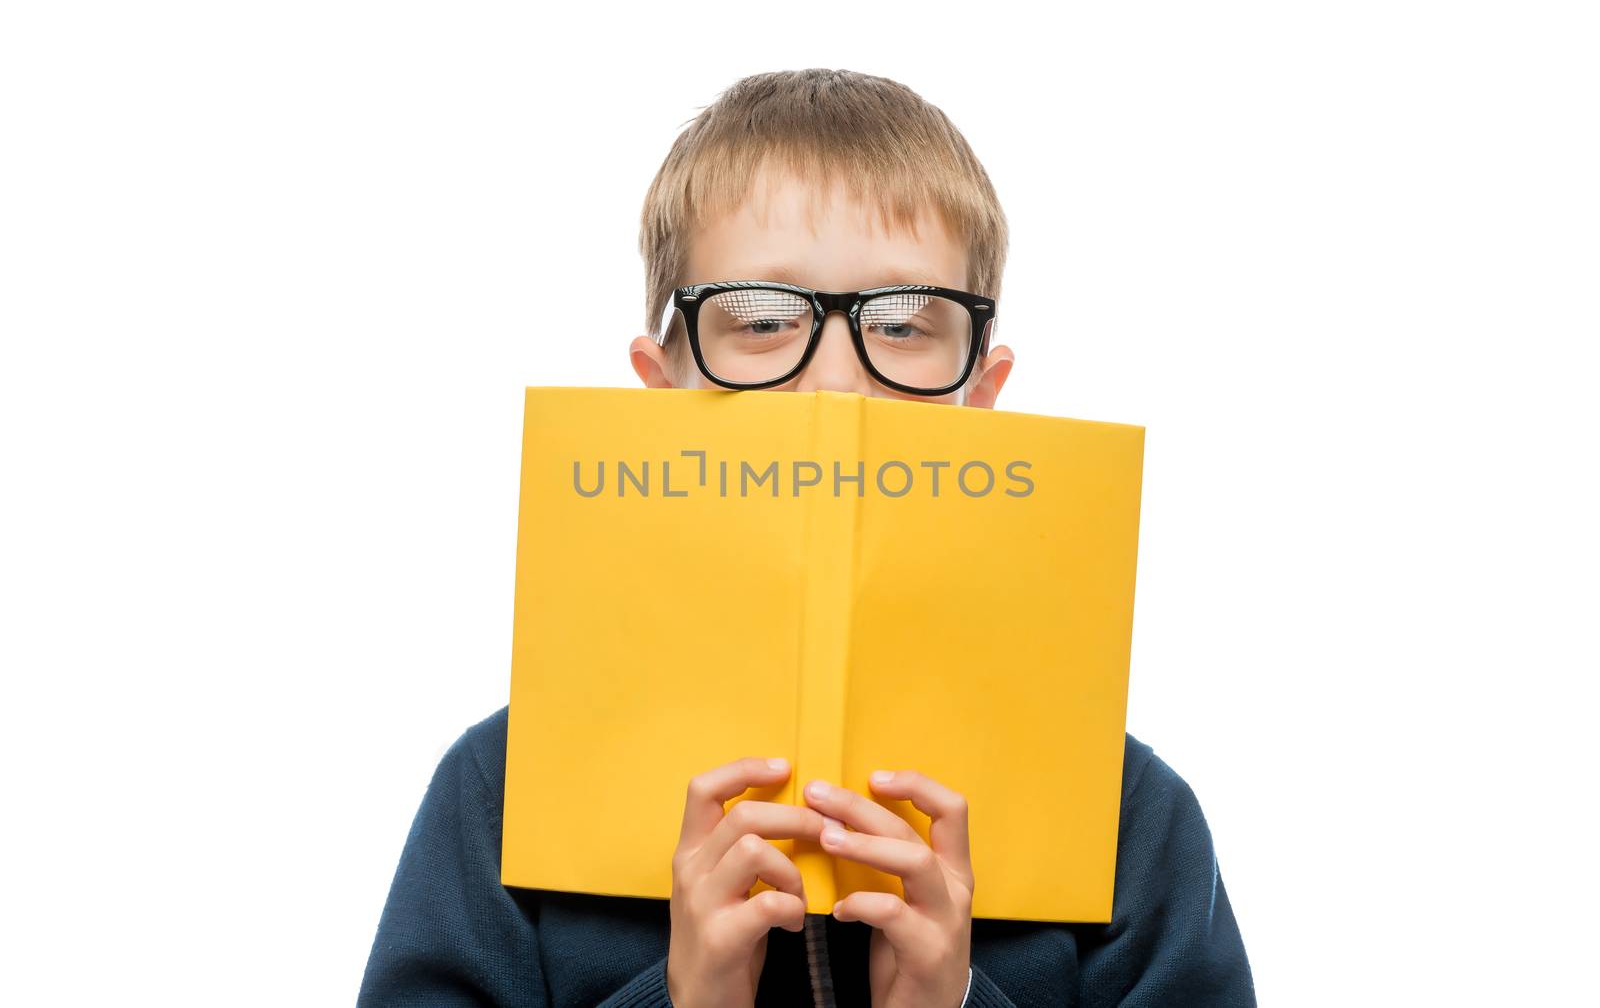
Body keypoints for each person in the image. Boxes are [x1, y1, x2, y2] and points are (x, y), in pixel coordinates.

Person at [357, 68, 1255, 1007]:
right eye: (760, 320)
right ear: (661, 389)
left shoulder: (1128, 821)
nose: (835, 383)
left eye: (904, 323)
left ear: (981, 400)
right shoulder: (499, 797)